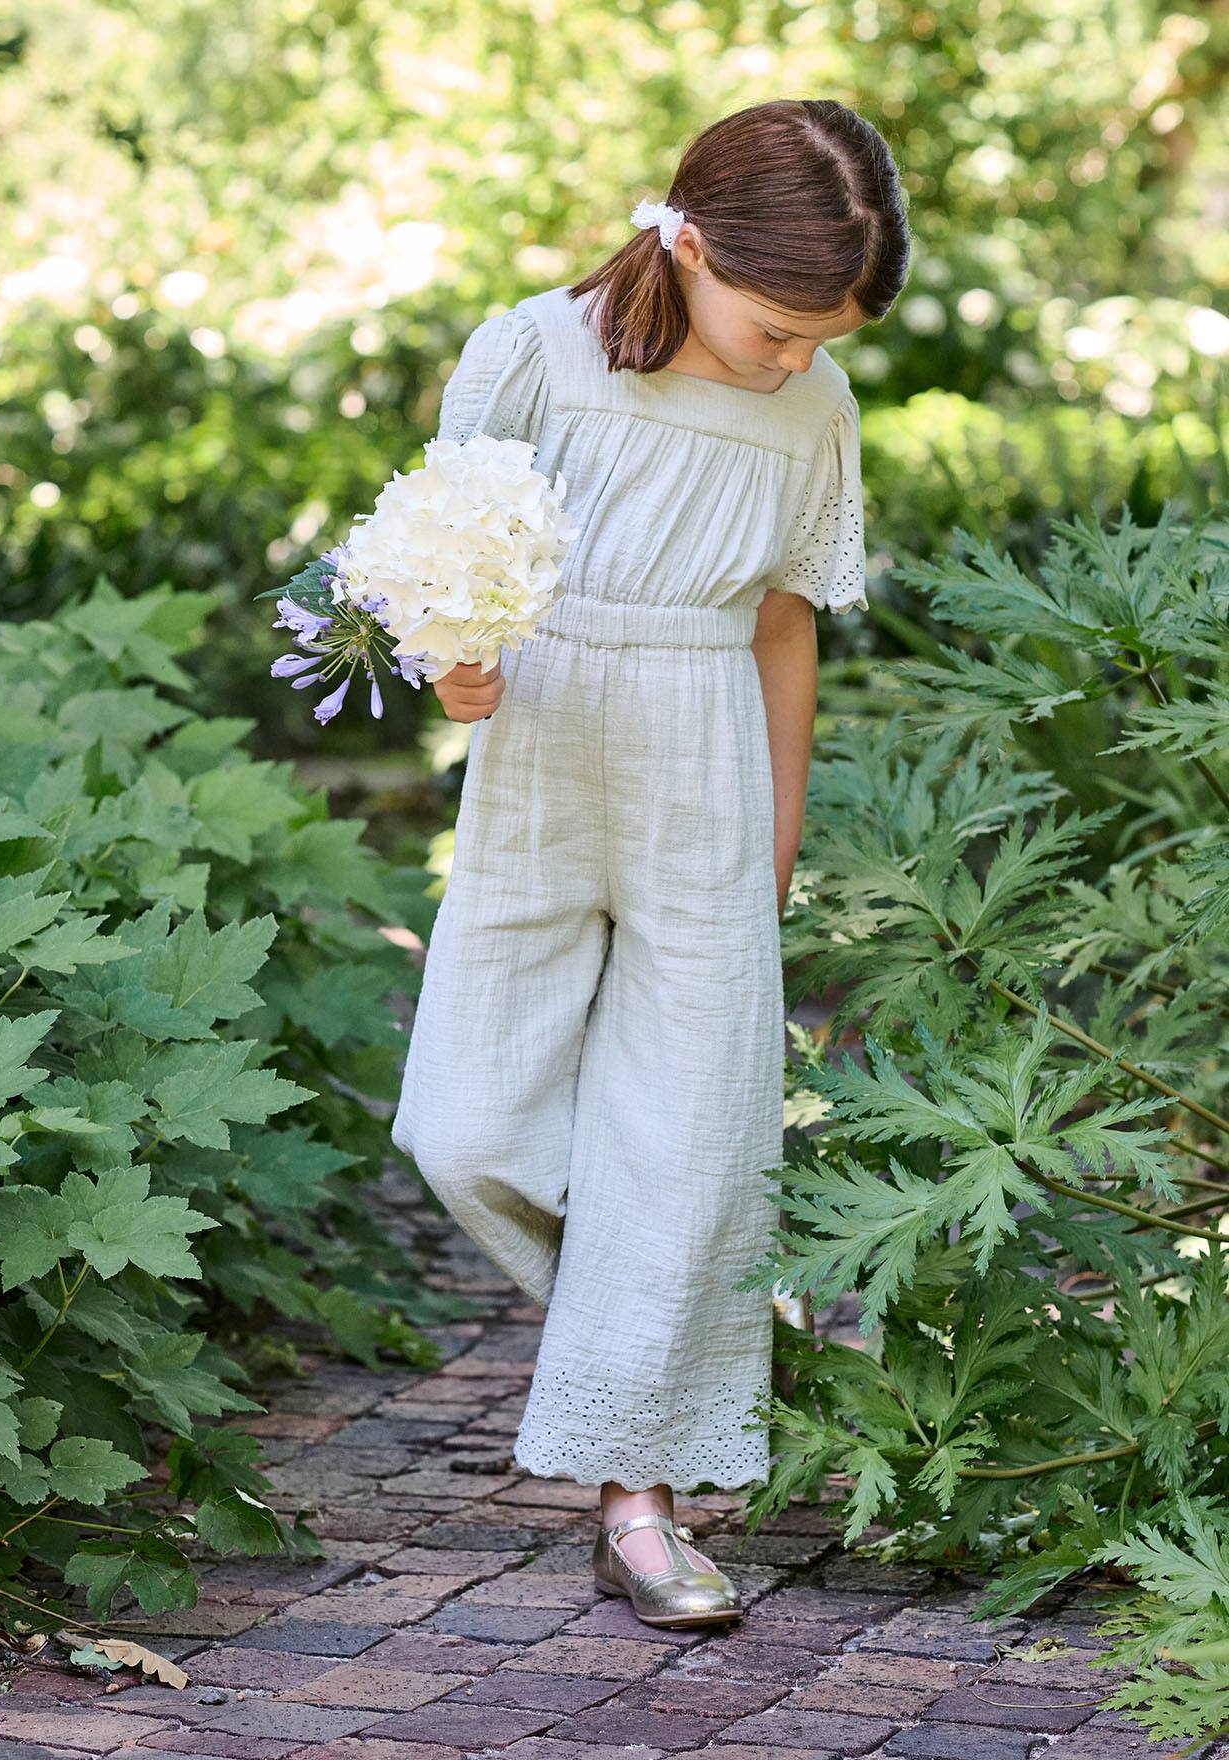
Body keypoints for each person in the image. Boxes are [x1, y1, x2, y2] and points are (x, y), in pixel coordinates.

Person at [390, 96, 910, 1628]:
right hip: (544, 757)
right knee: (464, 1128)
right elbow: (444, 564)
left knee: (684, 1144)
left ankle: (643, 1503)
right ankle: (693, 1317)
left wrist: (776, 841)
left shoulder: (813, 412)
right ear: (687, 245)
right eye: (778, 328)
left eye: (824, 340)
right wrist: (452, 664)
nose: (796, 361)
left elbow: (782, 624)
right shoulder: (534, 356)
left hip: (708, 765)